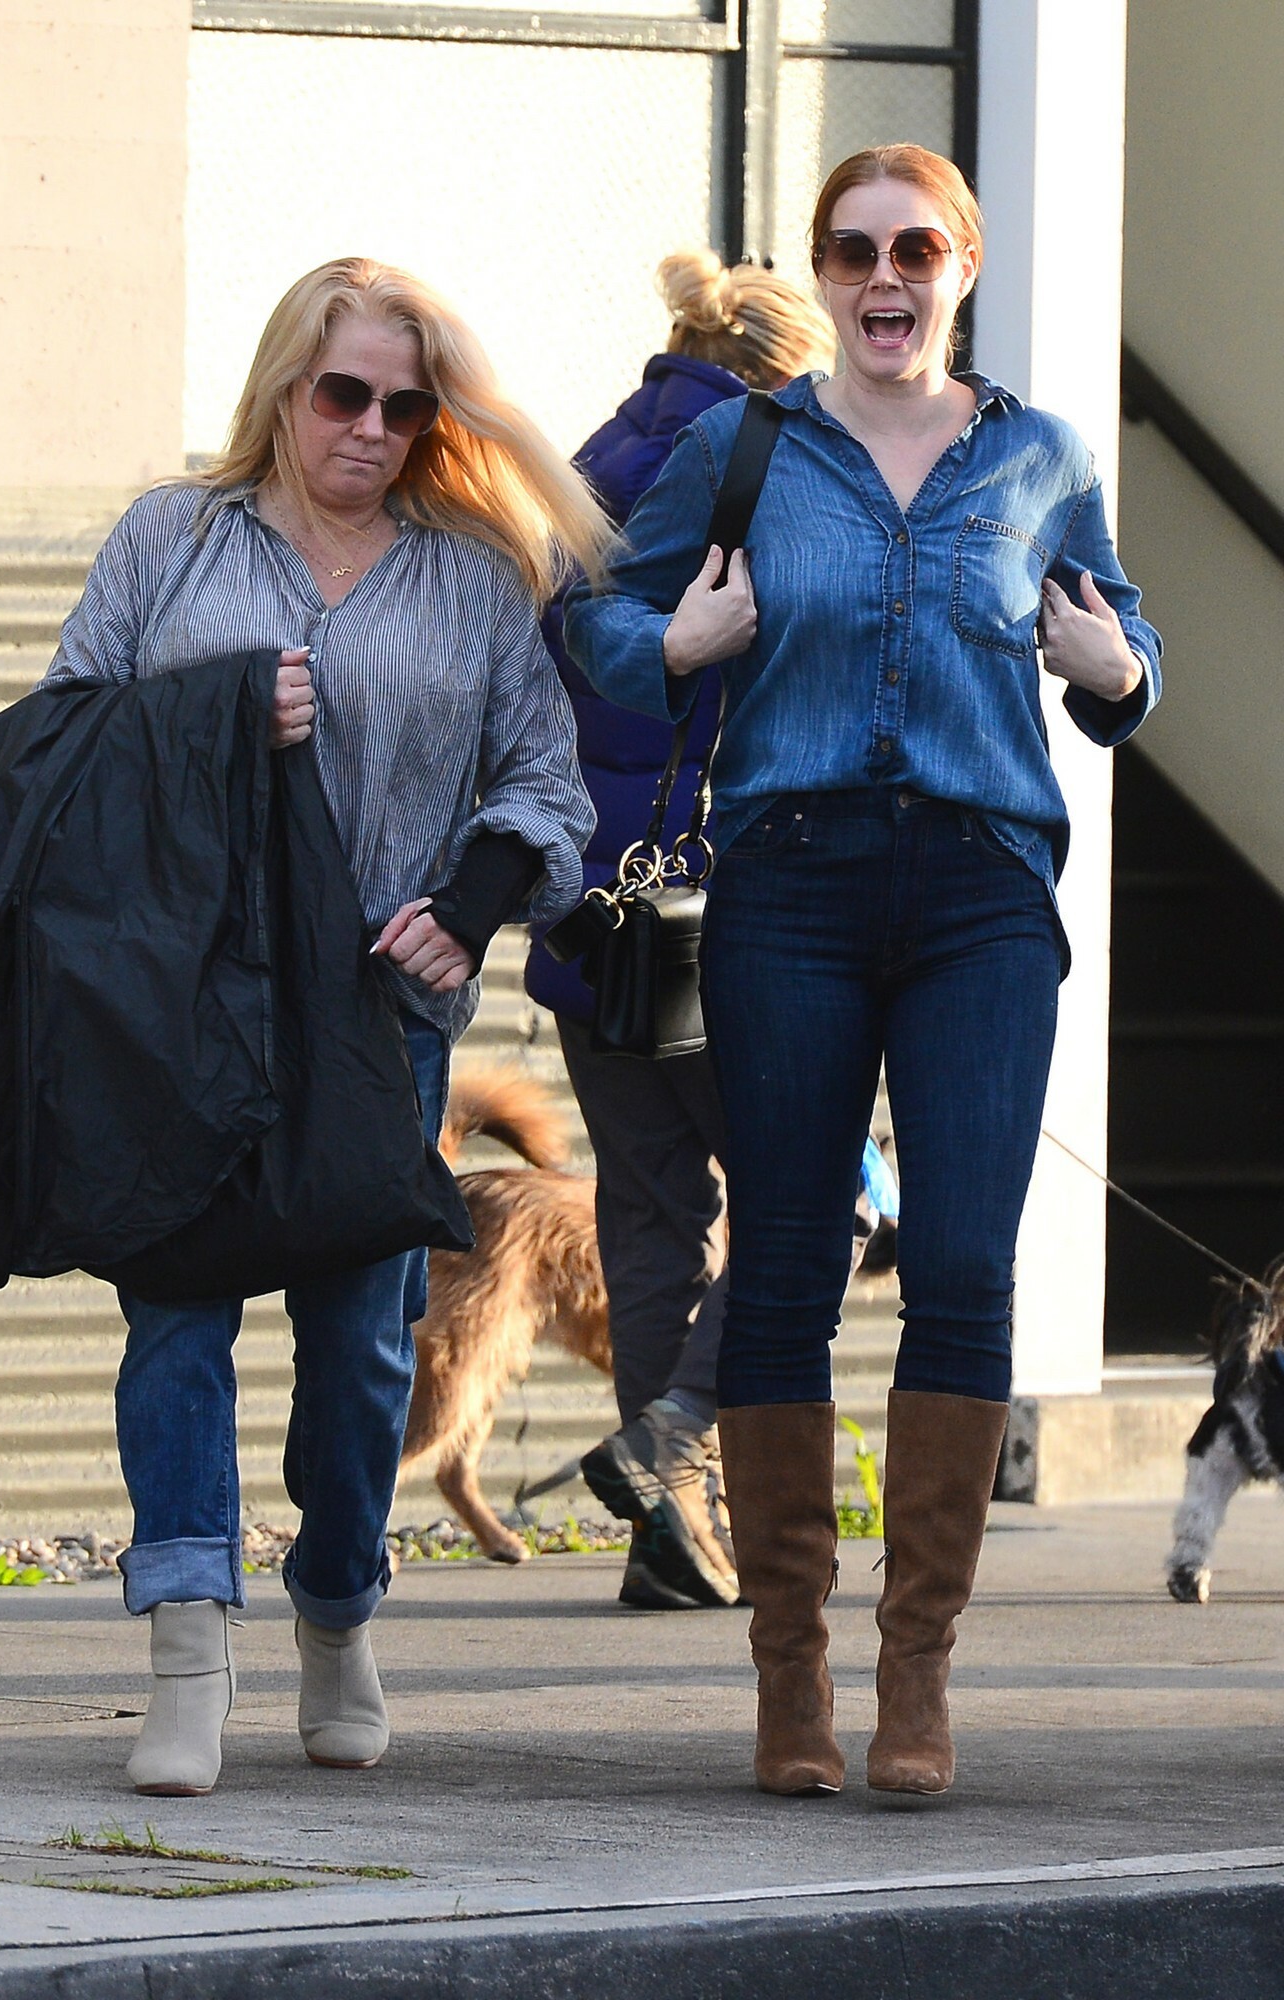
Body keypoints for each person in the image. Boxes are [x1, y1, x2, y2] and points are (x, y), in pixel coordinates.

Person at [565, 146, 1161, 1796]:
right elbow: (597, 616)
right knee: (786, 1271)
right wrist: (672, 645)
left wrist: (1118, 673)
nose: (882, 279)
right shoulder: (742, 446)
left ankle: (917, 1680)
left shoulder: (1040, 455)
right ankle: (789, 1677)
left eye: (913, 250)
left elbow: (1124, 640)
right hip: (791, 891)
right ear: (822, 274)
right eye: (852, 252)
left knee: (962, 1262)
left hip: (980, 894)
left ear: (961, 263)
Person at [43, 257, 608, 1796]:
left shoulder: (475, 573)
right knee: (175, 1323)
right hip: (184, 1006)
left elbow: (545, 783)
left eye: (406, 408)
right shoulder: (174, 541)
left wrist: (472, 904)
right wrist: (217, 713)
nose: (371, 429)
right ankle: (186, 1651)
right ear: (285, 388)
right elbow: (64, 734)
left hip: (380, 1020)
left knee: (361, 1349)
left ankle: (340, 1608)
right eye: (344, 395)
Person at [527, 250, 837, 1612]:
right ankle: (681, 1433)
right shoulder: (760, 473)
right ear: (786, 370)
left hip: (586, 909)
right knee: (818, 1195)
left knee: (656, 1213)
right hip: (713, 904)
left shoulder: (588, 464)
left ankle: (676, 1531)